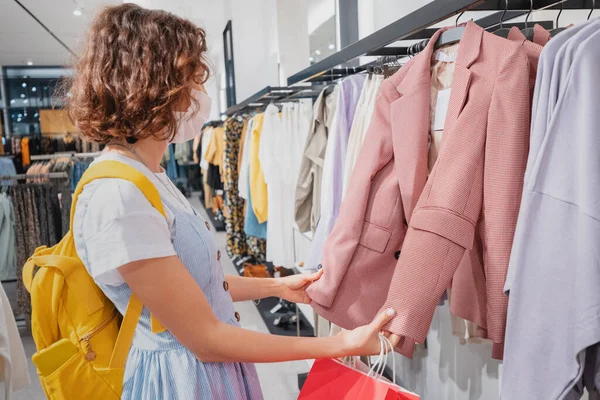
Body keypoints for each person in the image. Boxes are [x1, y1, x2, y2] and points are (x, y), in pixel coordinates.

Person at [66, 4, 398, 399]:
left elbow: (192, 283)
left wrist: (276, 286)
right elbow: (206, 337)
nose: (200, 95)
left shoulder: (148, 175)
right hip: (182, 380)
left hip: (206, 370)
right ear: (152, 85)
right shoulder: (119, 195)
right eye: (191, 80)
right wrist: (340, 345)